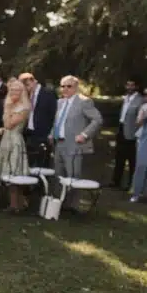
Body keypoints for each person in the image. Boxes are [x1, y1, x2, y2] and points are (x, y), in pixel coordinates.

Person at [50, 75, 103, 209]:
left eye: (69, 86)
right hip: (59, 144)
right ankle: (58, 204)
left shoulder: (84, 102)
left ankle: (72, 206)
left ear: (76, 87)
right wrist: (52, 133)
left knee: (73, 177)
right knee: (58, 176)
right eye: (63, 86)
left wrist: (84, 135)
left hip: (74, 145)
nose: (65, 89)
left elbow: (97, 120)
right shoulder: (60, 102)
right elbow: (58, 122)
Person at [0, 78, 31, 212]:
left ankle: (17, 205)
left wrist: (8, 108)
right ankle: (15, 203)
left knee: (14, 172)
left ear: (22, 92)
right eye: (12, 89)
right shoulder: (10, 105)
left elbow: (9, 124)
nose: (14, 92)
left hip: (15, 142)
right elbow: (6, 126)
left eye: (17, 90)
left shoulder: (24, 107)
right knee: (7, 172)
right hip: (6, 140)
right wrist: (1, 129)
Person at [111, 77, 145, 190]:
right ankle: (116, 181)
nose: (129, 87)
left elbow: (141, 119)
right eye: (128, 85)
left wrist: (137, 133)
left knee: (132, 159)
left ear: (136, 87)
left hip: (132, 133)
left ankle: (132, 184)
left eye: (132, 85)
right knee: (119, 157)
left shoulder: (140, 100)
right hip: (121, 129)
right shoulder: (126, 98)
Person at [19, 72, 57, 167]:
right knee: (29, 164)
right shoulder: (28, 95)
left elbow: (55, 115)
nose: (26, 88)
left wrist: (52, 133)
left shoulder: (48, 93)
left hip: (43, 135)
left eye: (27, 85)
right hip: (29, 134)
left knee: (42, 165)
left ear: (34, 81)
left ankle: (43, 181)